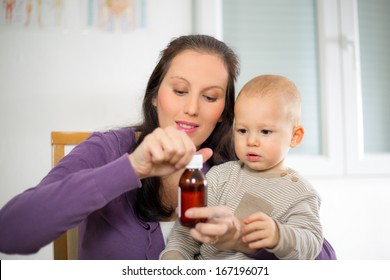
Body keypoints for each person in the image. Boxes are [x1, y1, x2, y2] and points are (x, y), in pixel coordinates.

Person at [0, 35, 335, 260]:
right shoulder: (109, 150)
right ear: (154, 95)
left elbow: (325, 259)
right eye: (179, 90)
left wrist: (248, 243)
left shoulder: (241, 169)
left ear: (224, 114)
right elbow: (11, 233)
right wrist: (131, 168)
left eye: (210, 97)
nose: (192, 108)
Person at [161, 75, 327, 260]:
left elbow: (311, 244)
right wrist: (172, 260)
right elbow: (184, 236)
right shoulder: (219, 176)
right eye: (242, 130)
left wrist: (278, 236)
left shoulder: (300, 193)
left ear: (295, 136)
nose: (251, 141)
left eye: (265, 132)